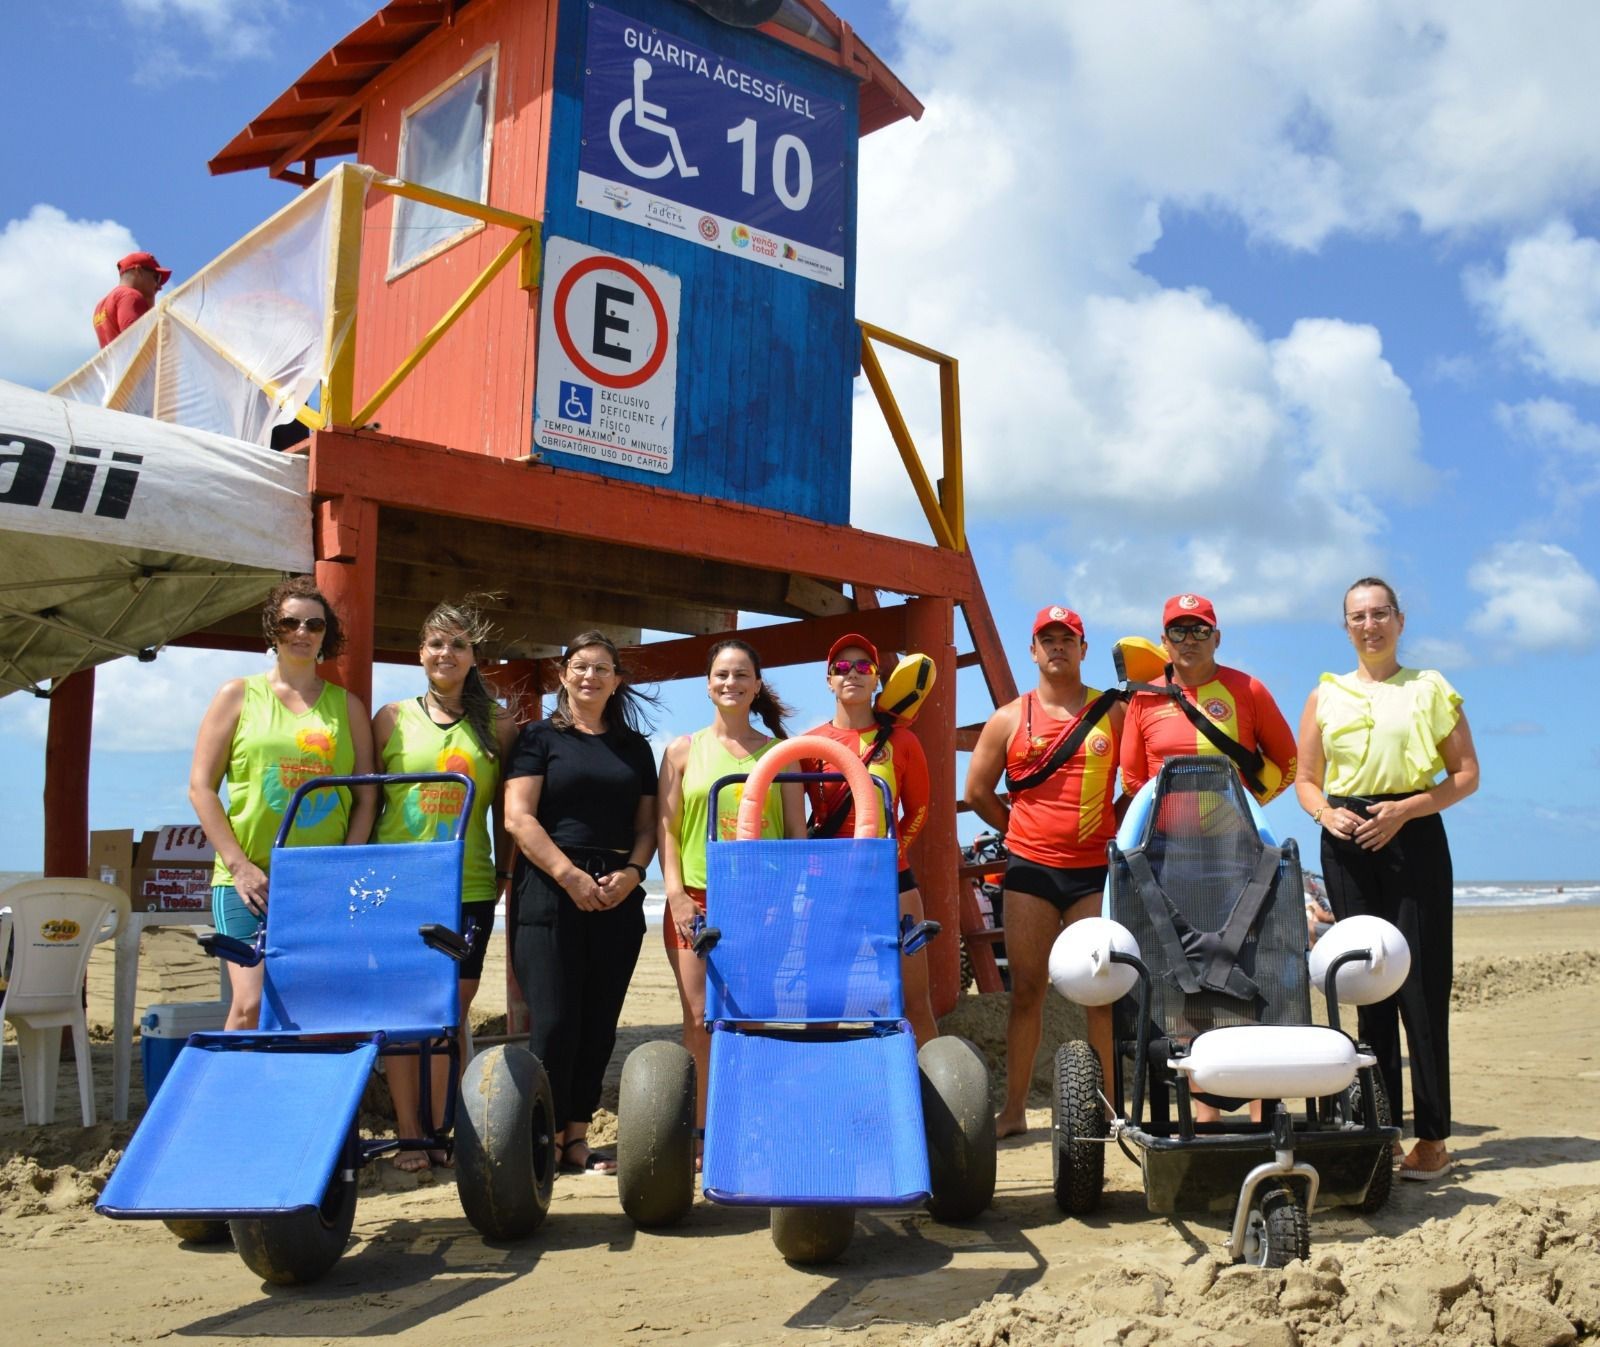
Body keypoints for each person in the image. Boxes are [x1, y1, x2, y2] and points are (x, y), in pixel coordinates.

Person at [1294, 577, 1478, 1181]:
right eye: (1357, 616)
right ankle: (1381, 1131)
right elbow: (1306, 780)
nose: (1369, 625)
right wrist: (1326, 813)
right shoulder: (1325, 695)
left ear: (1399, 621)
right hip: (1347, 842)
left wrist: (1404, 811)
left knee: (1421, 989)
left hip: (1413, 837)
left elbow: (1465, 775)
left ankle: (1433, 1138)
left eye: (1380, 614)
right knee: (1366, 985)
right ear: (1345, 627)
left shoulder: (1430, 689)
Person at [189, 576, 376, 1031]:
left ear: (326, 635)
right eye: (289, 622)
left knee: (309, 1006)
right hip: (249, 879)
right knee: (251, 1006)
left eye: (314, 625)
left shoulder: (347, 707)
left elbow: (367, 796)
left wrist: (343, 866)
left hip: (320, 882)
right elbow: (201, 787)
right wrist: (239, 867)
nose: (302, 632)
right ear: (272, 630)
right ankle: (230, 1101)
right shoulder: (237, 694)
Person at [964, 605, 1123, 1138]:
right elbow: (976, 793)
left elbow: (1142, 780)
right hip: (1031, 871)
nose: (1057, 647)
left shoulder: (1113, 713)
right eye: (1047, 640)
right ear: (1033, 651)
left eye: (1067, 639)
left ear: (1083, 649)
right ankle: (1014, 1110)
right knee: (1028, 990)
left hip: (1094, 872)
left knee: (1099, 993)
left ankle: (1108, 1107)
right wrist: (1017, 828)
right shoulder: (1009, 718)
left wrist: (1116, 823)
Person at [505, 632, 659, 1176]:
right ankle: (538, 1141)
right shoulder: (537, 738)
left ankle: (575, 1140)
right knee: (554, 1021)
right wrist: (568, 875)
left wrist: (634, 874)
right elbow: (518, 817)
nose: (589, 676)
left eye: (601, 668)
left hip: (618, 889)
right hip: (550, 886)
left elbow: (647, 827)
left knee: (599, 1024)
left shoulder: (634, 748)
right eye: (579, 666)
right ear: (562, 673)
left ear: (617, 679)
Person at [373, 597, 517, 1172]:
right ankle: (412, 1133)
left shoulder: (498, 722)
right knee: (406, 1010)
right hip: (398, 884)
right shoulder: (390, 717)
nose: (446, 653)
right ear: (420, 652)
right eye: (436, 643)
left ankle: (445, 1127)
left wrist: (505, 873)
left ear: (473, 655)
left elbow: (507, 810)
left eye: (458, 644)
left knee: (450, 1009)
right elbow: (367, 803)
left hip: (470, 884)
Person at [657, 638, 805, 1144]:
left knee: (752, 1016)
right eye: (721, 674)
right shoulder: (682, 750)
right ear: (707, 685)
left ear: (757, 685)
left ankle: (749, 1126)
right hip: (697, 897)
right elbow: (667, 831)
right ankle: (702, 1130)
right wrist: (675, 894)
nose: (731, 683)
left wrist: (783, 905)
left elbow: (795, 837)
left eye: (741, 675)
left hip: (762, 903)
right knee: (700, 1019)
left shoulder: (783, 755)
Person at [803, 633, 938, 1046]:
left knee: (914, 1000)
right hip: (829, 885)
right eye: (842, 668)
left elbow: (917, 810)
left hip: (890, 882)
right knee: (824, 1003)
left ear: (878, 678)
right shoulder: (808, 744)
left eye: (864, 666)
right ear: (829, 680)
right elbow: (796, 821)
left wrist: (893, 852)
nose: (853, 674)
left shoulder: (902, 742)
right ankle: (821, 1091)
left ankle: (931, 1101)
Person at [1120, 593, 1298, 804]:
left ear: (1217, 638)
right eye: (1178, 632)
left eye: (1200, 631)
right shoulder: (1143, 697)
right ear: (1164, 641)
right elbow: (1131, 779)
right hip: (1163, 834)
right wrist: (1161, 815)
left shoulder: (1250, 690)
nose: (1189, 641)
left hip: (1234, 834)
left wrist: (1248, 811)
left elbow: (1288, 765)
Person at [92, 251, 170, 347]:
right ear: (138, 271)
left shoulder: (100, 306)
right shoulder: (131, 296)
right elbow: (137, 342)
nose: (159, 287)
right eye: (156, 278)